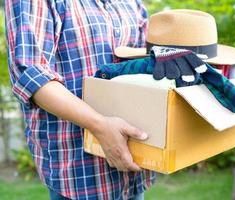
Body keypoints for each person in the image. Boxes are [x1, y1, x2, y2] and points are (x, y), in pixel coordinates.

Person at [5, 0, 155, 199]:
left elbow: (146, 62)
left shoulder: (131, 3)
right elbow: (32, 76)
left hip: (134, 162)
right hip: (79, 172)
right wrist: (100, 126)